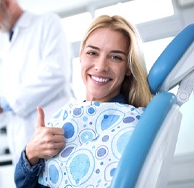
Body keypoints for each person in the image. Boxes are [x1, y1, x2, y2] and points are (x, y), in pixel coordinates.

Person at [14, 15, 153, 188]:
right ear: (81, 56)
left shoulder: (134, 125)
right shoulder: (65, 117)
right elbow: (23, 184)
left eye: (116, 57)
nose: (101, 66)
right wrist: (31, 153)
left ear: (128, 68)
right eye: (92, 53)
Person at [0, 0, 74, 165]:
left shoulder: (47, 23)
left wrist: (1, 103)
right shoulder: (9, 45)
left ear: (7, 3)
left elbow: (56, 74)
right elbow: (17, 103)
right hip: (26, 154)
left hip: (54, 145)